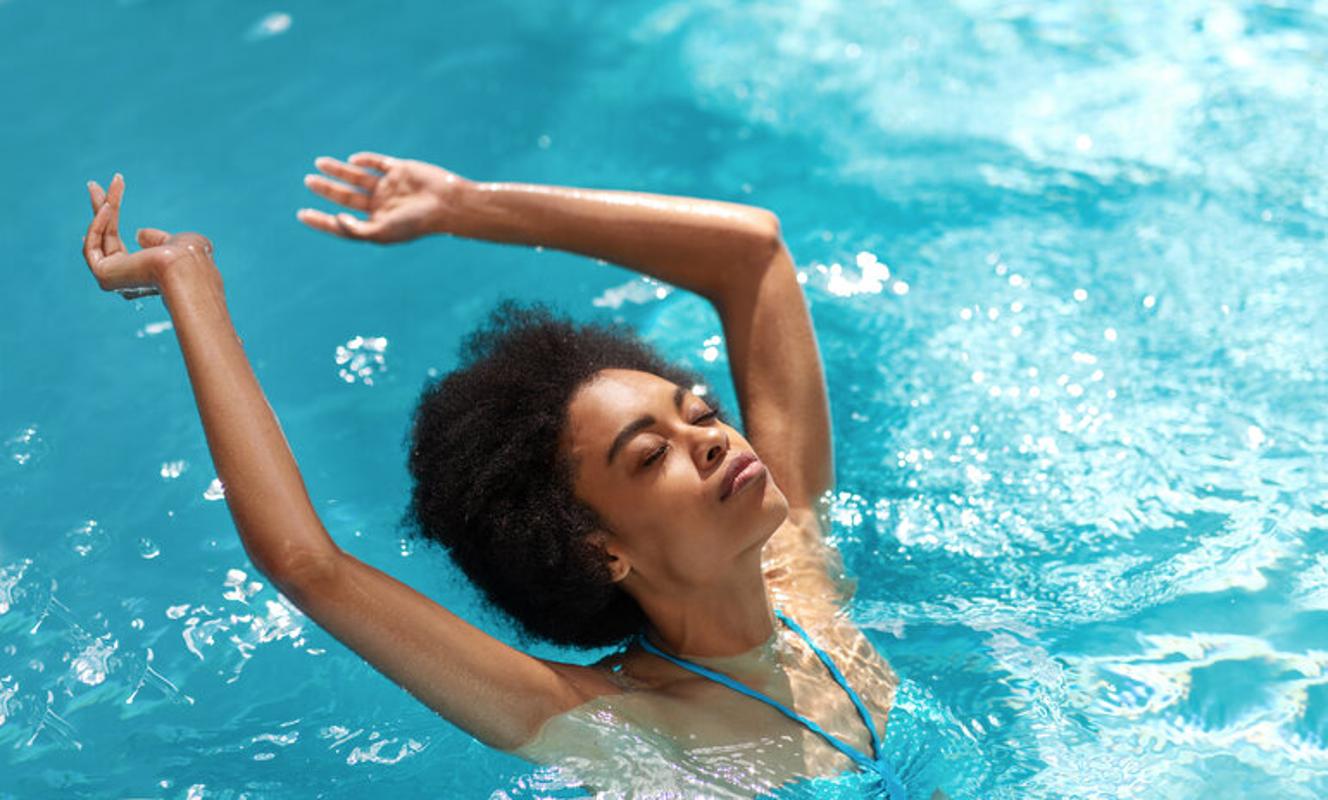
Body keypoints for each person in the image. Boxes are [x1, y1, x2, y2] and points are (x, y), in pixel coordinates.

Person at [80, 157, 944, 799]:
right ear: (601, 551)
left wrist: (466, 205)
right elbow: (308, 564)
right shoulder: (617, 723)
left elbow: (753, 254)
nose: (710, 439)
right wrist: (184, 275)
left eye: (700, 412)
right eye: (650, 455)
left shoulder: (800, 572)